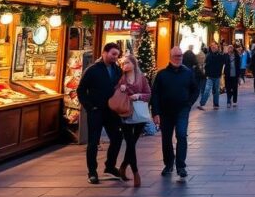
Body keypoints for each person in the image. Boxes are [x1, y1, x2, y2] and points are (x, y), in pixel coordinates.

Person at [77, 43, 124, 184]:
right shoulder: (92, 70)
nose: (115, 57)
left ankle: (110, 166)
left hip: (112, 112)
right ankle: (92, 171)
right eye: (113, 54)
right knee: (93, 142)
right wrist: (90, 107)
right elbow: (81, 90)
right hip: (96, 111)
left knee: (117, 138)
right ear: (104, 53)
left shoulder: (117, 70)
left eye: (117, 55)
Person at [151, 47, 200, 179]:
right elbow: (155, 94)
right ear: (170, 57)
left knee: (182, 135)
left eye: (180, 56)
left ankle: (181, 166)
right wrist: (155, 112)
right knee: (166, 139)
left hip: (182, 110)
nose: (178, 58)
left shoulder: (188, 73)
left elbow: (195, 89)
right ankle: (168, 163)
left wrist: (189, 103)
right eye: (176, 56)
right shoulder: (162, 74)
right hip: (165, 111)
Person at [116, 52, 151, 188]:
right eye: (123, 63)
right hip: (125, 114)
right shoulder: (120, 78)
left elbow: (148, 94)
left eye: (127, 63)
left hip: (139, 115)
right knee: (130, 143)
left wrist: (137, 96)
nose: (124, 65)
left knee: (132, 143)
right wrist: (122, 88)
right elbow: (116, 93)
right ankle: (136, 173)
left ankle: (123, 166)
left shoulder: (141, 78)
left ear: (133, 64)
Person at [199, 43, 227, 110]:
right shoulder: (208, 55)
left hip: (217, 76)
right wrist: (206, 74)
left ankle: (216, 104)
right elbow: (206, 65)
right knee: (207, 90)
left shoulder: (220, 56)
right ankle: (202, 104)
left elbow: (225, 61)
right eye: (212, 47)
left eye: (214, 47)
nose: (213, 48)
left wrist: (225, 53)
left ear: (217, 47)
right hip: (210, 76)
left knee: (216, 91)